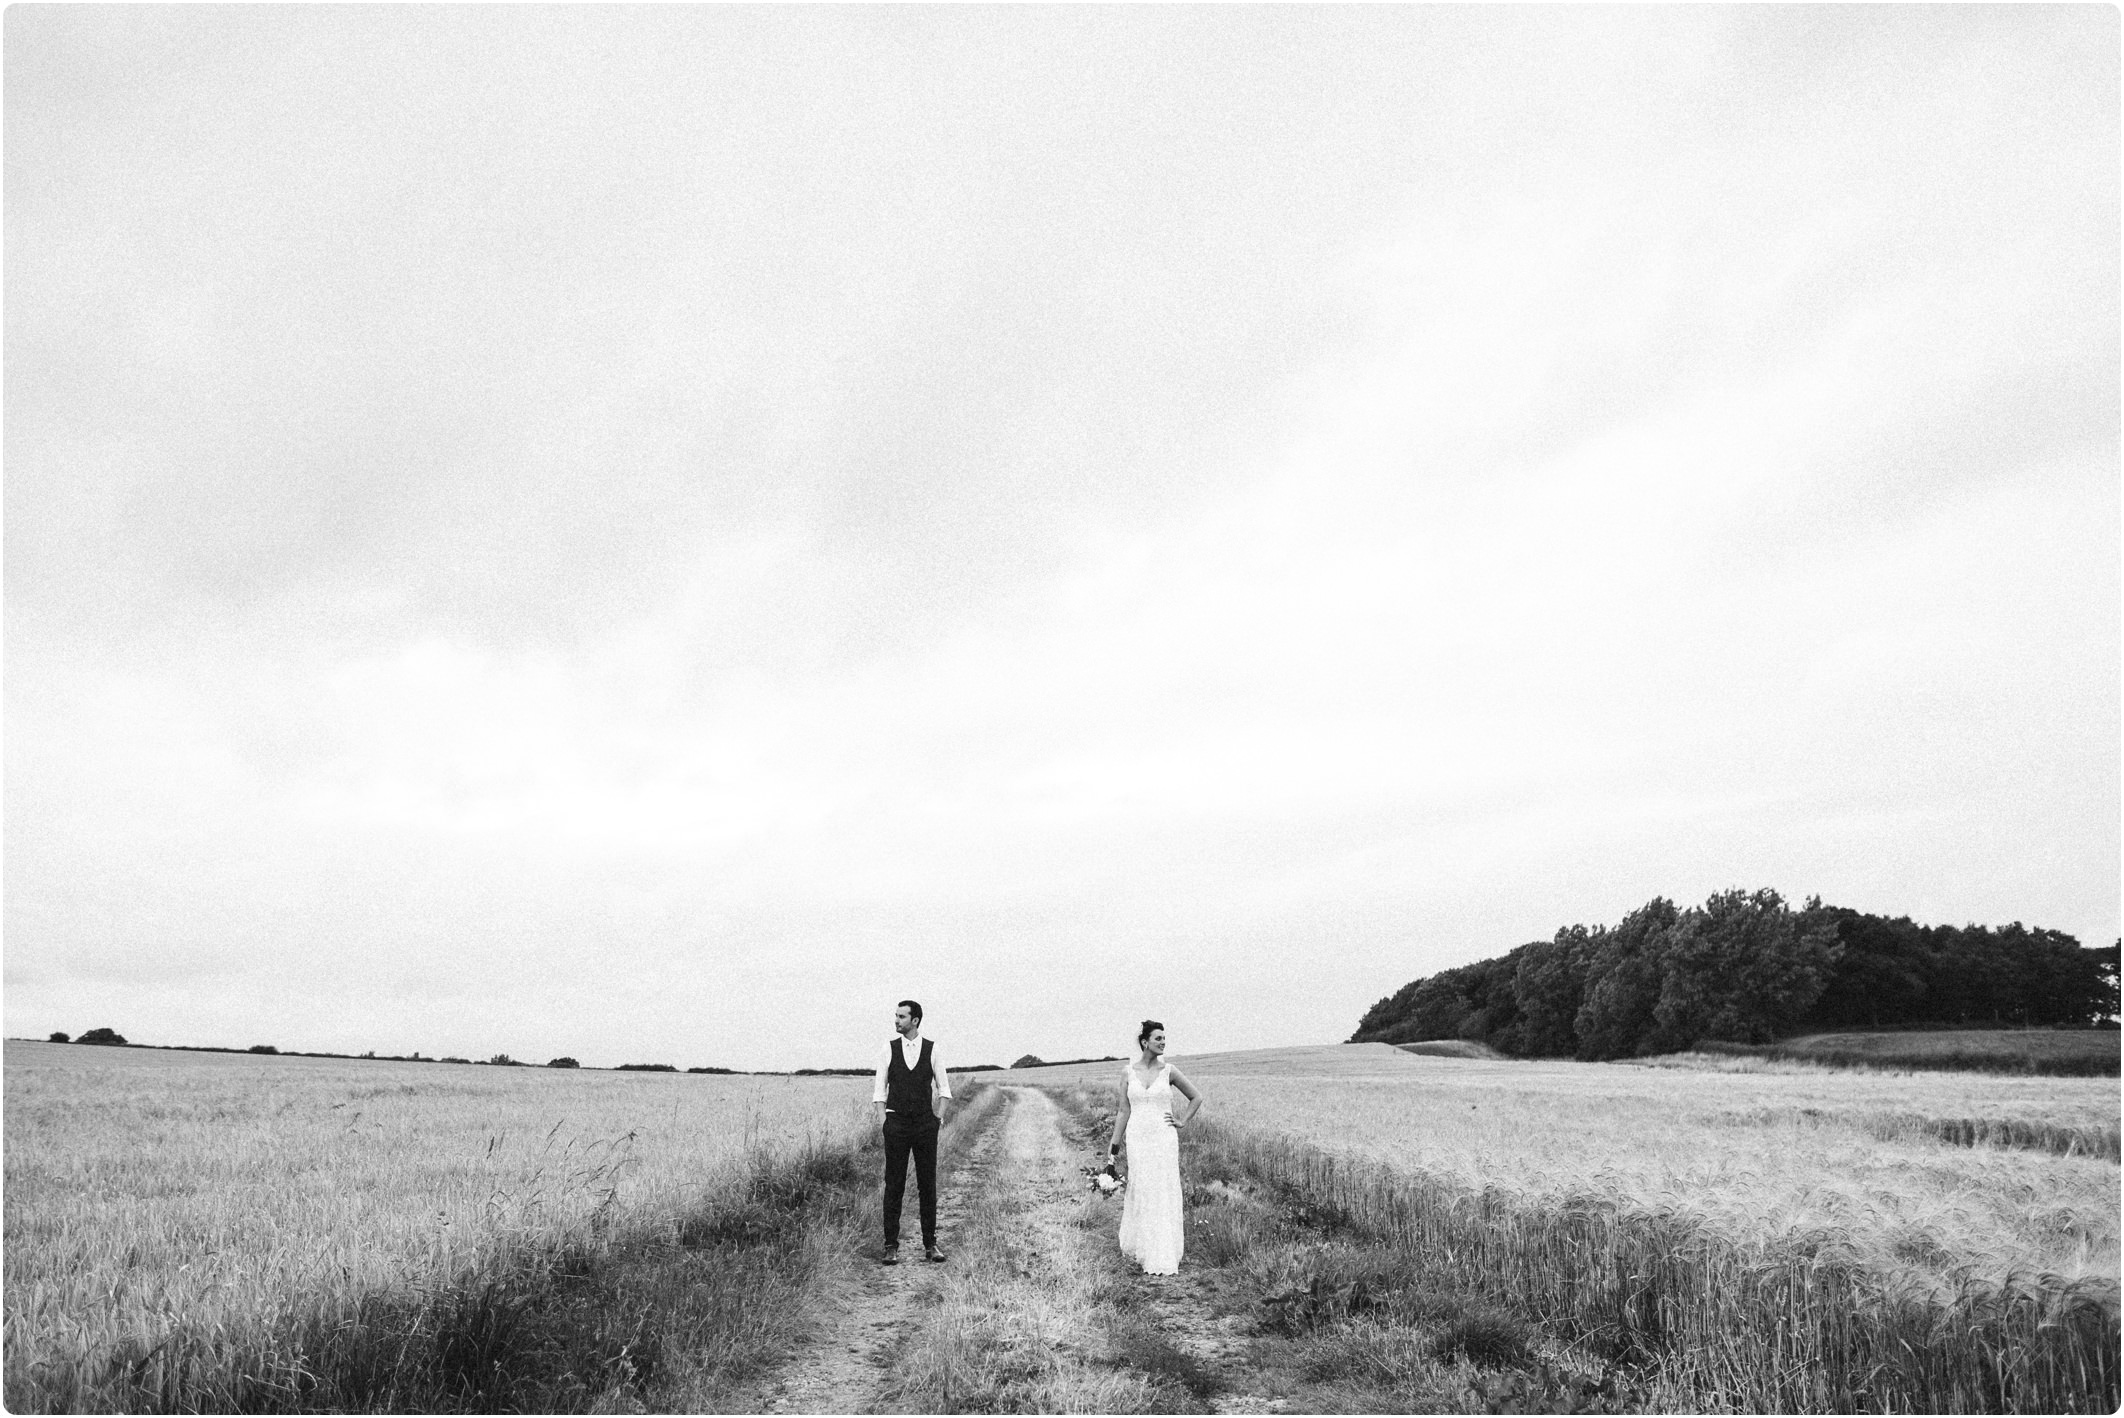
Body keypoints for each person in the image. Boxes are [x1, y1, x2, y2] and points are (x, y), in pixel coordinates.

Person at [1108, 1019, 1202, 1276]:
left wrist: (1182, 1120)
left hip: (1164, 1138)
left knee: (1162, 1188)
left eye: (1164, 1039)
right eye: (1158, 1038)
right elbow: (1123, 1111)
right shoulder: (1127, 1072)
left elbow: (1196, 1097)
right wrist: (1113, 1148)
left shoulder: (1169, 1070)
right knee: (1143, 1186)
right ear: (1144, 1042)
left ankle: (1162, 1251)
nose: (1163, 1042)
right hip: (1138, 1137)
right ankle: (1144, 1245)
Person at [872, 998, 952, 1265]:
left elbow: (944, 1090)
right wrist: (885, 1122)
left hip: (924, 1126)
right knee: (894, 1184)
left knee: (927, 1184)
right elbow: (879, 1091)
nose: (896, 1020)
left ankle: (930, 1244)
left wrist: (936, 1120)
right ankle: (890, 1246)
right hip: (896, 1126)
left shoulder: (932, 1049)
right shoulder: (888, 1048)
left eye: (901, 1017)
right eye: (895, 1016)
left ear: (915, 1020)